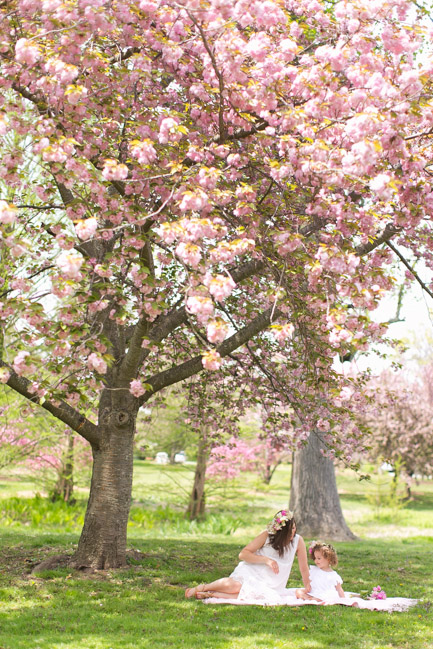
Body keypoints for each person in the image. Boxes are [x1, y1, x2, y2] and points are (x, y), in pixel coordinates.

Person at [185, 509, 311, 603]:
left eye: (294, 528)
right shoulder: (267, 536)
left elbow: (304, 567)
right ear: (279, 532)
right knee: (236, 586)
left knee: (258, 596)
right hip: (252, 572)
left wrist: (307, 586)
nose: (293, 532)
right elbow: (243, 554)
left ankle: (211, 594)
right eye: (289, 531)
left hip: (272, 583)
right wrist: (266, 560)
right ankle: (202, 588)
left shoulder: (298, 541)